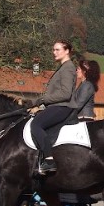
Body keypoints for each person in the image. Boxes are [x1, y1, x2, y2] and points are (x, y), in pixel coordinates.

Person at [29, 40, 77, 175]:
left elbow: (65, 93)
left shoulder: (68, 68)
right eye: (53, 50)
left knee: (36, 125)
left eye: (57, 49)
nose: (54, 52)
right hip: (55, 106)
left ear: (67, 51)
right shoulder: (63, 67)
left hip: (62, 106)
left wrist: (42, 100)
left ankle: (49, 161)